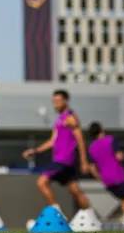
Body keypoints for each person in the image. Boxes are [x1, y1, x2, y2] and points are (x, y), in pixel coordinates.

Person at [22, 90, 95, 220]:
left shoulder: (71, 118)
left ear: (65, 101)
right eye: (54, 101)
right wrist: (35, 150)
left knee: (42, 182)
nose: (55, 104)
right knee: (75, 191)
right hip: (62, 160)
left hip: (64, 160)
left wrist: (84, 161)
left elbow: (80, 140)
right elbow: (52, 141)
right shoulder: (59, 120)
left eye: (58, 101)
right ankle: (92, 218)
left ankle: (58, 216)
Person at [87, 123, 124, 228]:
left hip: (106, 180)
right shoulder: (110, 140)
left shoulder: (92, 147)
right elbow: (118, 156)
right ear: (102, 129)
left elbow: (91, 167)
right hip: (118, 175)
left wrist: (100, 177)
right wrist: (123, 154)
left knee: (123, 199)